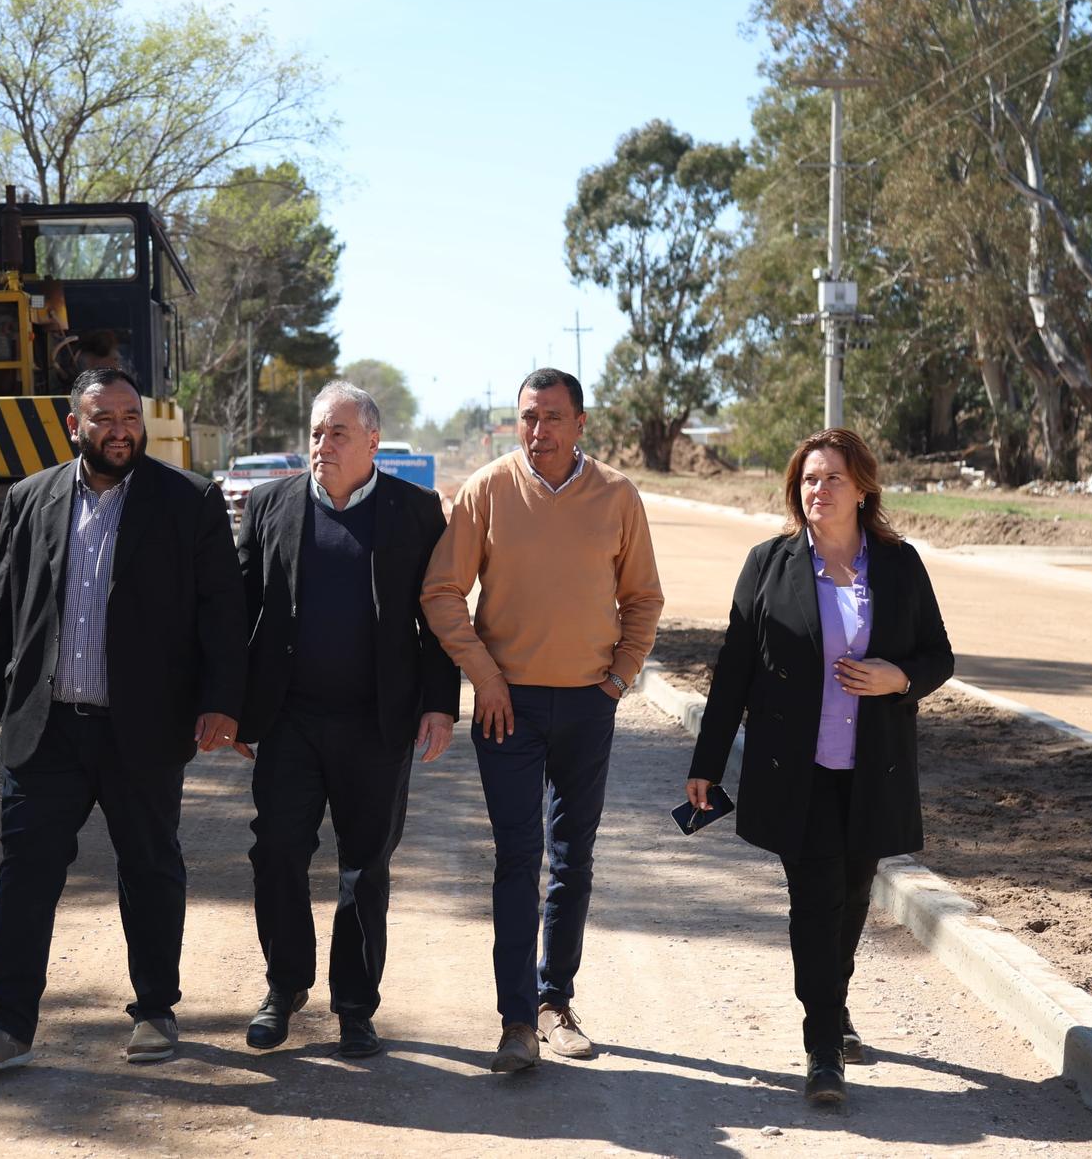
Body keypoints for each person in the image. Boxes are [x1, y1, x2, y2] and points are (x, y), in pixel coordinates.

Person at [0, 367, 247, 1074]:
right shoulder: (30, 498)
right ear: (73, 425)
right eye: (103, 417)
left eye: (129, 415)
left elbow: (223, 613)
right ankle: (10, 1025)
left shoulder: (188, 501)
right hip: (47, 725)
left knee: (149, 867)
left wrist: (223, 700)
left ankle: (154, 1011)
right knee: (25, 872)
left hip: (141, 726)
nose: (120, 429)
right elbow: (4, 608)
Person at [682, 428, 953, 1107]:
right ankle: (822, 1046)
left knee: (853, 897)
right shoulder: (768, 564)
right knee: (814, 900)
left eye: (831, 478)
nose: (817, 490)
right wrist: (706, 765)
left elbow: (938, 657)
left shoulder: (899, 565)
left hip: (871, 771)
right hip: (792, 771)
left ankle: (835, 1002)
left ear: (862, 488)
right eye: (807, 479)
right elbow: (734, 673)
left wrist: (897, 677)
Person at [421, 367, 664, 1073]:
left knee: (573, 860)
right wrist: (485, 675)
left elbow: (643, 598)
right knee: (517, 859)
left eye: (553, 417)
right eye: (529, 417)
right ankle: (517, 1021)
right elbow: (441, 592)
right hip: (508, 709)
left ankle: (557, 1000)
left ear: (580, 424)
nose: (539, 430)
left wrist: (620, 676)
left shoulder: (618, 495)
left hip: (590, 704)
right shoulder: (488, 489)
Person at [232, 381, 460, 1059]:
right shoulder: (272, 504)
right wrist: (234, 708)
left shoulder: (416, 512)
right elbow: (241, 611)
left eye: (336, 433)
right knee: (276, 852)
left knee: (365, 867)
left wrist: (441, 703)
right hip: (290, 720)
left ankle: (356, 1007)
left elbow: (437, 617)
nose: (321, 445)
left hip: (376, 723)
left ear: (371, 441)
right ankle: (284, 988)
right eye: (314, 432)